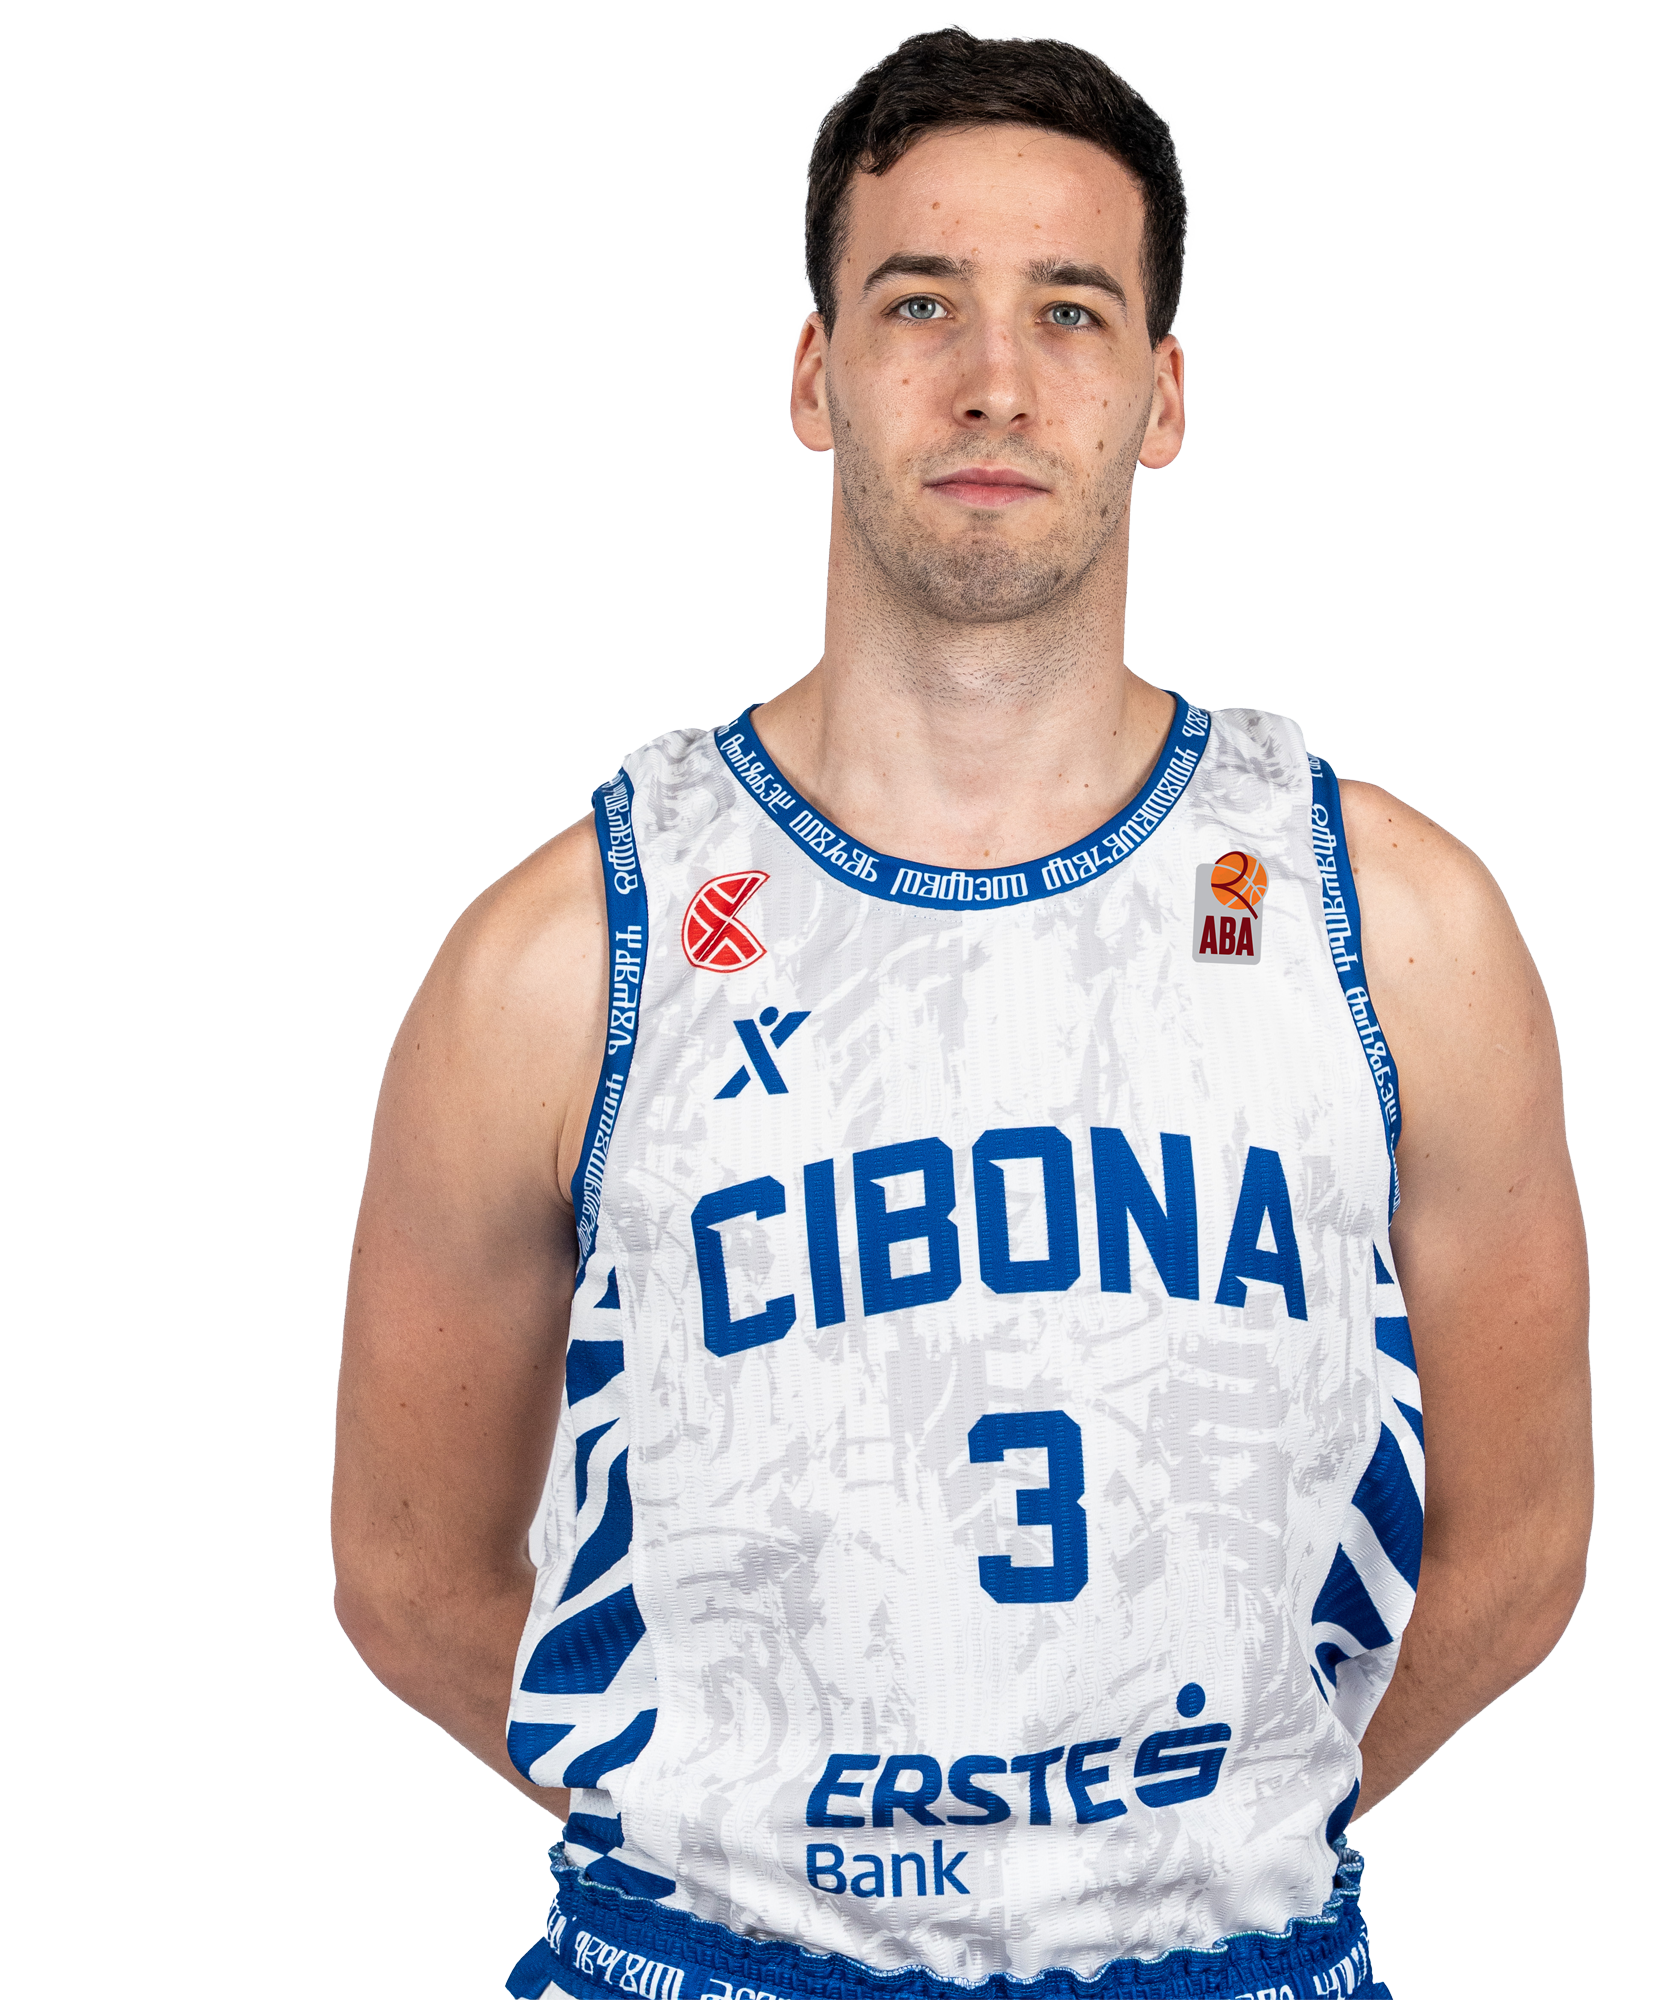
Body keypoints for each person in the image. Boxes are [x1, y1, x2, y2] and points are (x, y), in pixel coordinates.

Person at [334, 27, 1591, 2000]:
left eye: (1071, 311)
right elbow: (407, 1574)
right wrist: (739, 1852)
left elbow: (1520, 1549)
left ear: (1162, 394)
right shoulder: (568, 955)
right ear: (815, 372)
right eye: (919, 302)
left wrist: (1197, 1858)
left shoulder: (1390, 928)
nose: (996, 378)